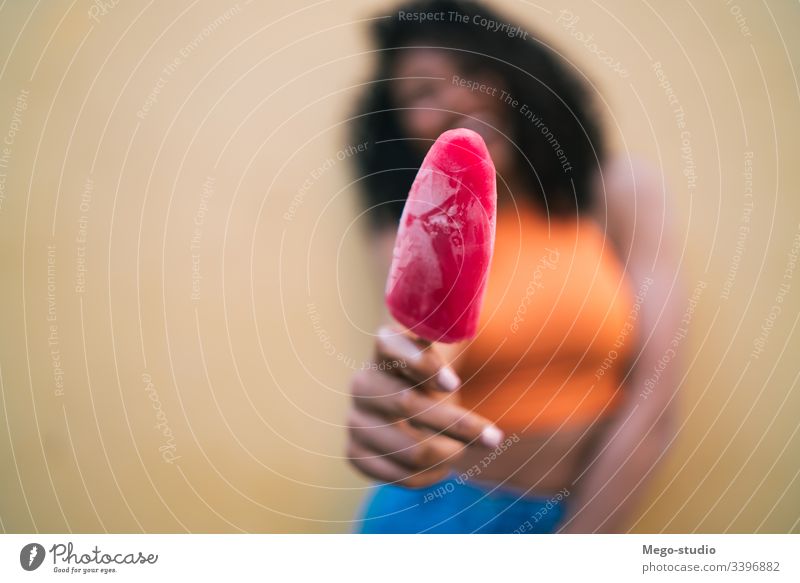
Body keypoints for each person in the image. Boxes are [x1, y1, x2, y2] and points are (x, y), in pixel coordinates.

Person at [345, 0, 683, 533]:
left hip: (582, 518)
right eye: (423, 93)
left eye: (473, 71)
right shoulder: (405, 230)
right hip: (431, 520)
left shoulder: (618, 195)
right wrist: (391, 403)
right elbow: (425, 365)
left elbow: (655, 406)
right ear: (401, 127)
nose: (457, 96)